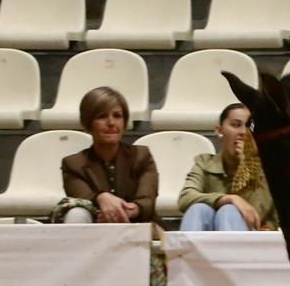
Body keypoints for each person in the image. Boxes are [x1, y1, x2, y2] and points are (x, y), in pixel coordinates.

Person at [60, 87, 158, 223]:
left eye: (117, 116)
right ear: (88, 123)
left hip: (138, 225)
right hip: (94, 228)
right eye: (102, 116)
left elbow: (147, 202)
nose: (111, 123)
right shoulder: (73, 164)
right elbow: (83, 198)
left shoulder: (142, 156)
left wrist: (127, 211)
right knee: (76, 213)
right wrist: (102, 197)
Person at [179, 105, 278, 230]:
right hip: (212, 233)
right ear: (220, 131)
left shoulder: (267, 167)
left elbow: (256, 213)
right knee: (198, 210)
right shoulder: (204, 162)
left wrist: (246, 163)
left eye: (249, 127)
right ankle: (189, 250)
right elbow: (185, 198)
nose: (243, 132)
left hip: (256, 238)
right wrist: (229, 198)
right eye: (236, 125)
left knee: (229, 212)